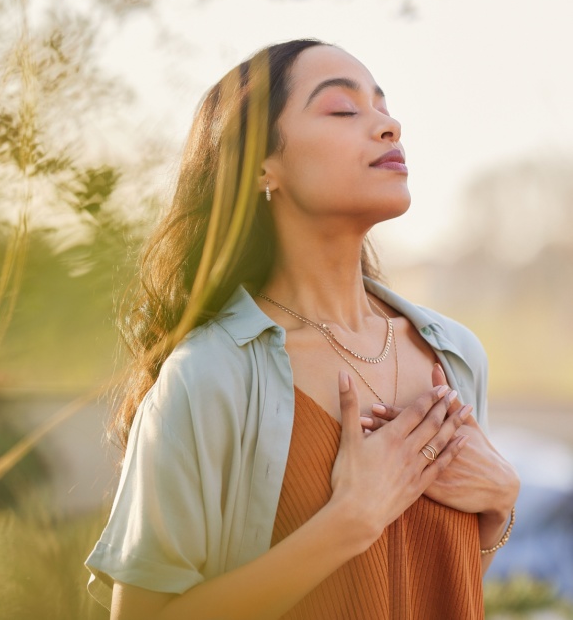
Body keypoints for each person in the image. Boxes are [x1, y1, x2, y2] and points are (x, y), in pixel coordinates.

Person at [85, 39, 520, 620]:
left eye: (383, 107)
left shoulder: (457, 354)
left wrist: (498, 509)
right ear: (263, 166)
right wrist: (349, 521)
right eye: (344, 109)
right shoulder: (209, 376)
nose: (389, 126)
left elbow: (437, 583)